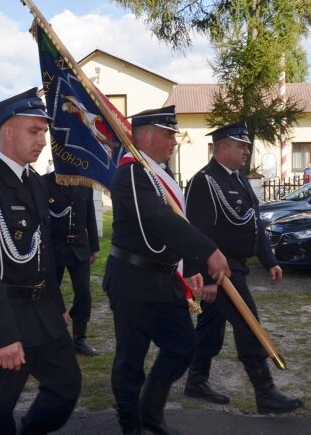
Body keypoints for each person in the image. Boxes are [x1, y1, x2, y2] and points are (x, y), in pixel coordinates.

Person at [0, 87, 81, 434]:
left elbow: (45, 253)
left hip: (41, 310)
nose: (42, 140)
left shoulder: (36, 184)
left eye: (44, 131)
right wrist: (2, 335)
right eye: (34, 130)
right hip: (4, 313)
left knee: (66, 387)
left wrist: (57, 304)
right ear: (7, 131)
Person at [102, 105, 231, 434]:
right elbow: (158, 220)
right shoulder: (131, 174)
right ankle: (130, 424)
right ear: (145, 136)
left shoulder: (159, 174)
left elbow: (175, 224)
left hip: (164, 281)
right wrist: (209, 251)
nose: (174, 140)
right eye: (168, 133)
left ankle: (150, 411)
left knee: (183, 346)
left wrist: (187, 267)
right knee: (131, 360)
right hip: (132, 283)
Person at [183, 121, 303, 414]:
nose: (246, 151)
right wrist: (207, 277)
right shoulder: (205, 181)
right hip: (221, 269)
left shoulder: (238, 179)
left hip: (236, 265)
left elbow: (254, 224)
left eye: (247, 146)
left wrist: (270, 260)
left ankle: (196, 380)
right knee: (249, 323)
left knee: (211, 327)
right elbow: (197, 232)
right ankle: (265, 392)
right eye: (241, 145)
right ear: (222, 146)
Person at [45, 172, 100, 356]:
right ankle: (53, 335)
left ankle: (79, 339)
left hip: (79, 245)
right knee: (51, 292)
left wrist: (94, 246)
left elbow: (90, 213)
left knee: (83, 292)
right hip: (55, 246)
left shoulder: (84, 182)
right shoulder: (46, 182)